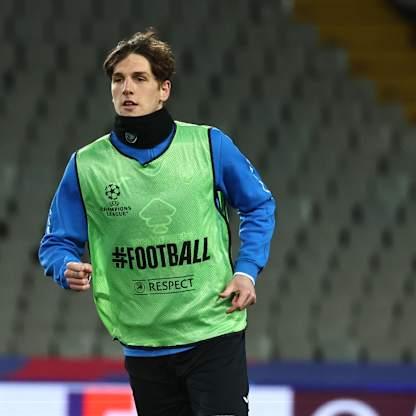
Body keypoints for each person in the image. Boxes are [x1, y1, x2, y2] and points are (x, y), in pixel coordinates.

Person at [39, 28, 276, 416]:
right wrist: (63, 267)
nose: (127, 88)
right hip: (143, 342)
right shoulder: (87, 165)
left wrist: (247, 271)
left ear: (163, 89)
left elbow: (259, 206)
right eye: (118, 80)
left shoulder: (209, 145)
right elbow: (56, 242)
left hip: (213, 330)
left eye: (139, 78)